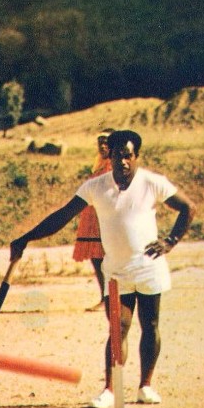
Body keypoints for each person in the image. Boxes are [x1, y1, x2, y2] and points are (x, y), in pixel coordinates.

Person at [9, 130, 196, 408]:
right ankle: (109, 389)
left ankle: (145, 385)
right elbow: (62, 216)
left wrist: (170, 241)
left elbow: (188, 208)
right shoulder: (96, 187)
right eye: (119, 155)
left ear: (136, 157)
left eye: (129, 156)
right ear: (110, 155)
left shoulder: (152, 183)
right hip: (116, 271)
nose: (123, 162)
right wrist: (25, 238)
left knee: (151, 324)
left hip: (148, 269)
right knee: (118, 327)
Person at [72, 129, 114, 311]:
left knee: (107, 259)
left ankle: (112, 298)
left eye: (106, 142)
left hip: (105, 219)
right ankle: (105, 297)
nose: (103, 146)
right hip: (92, 219)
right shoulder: (99, 165)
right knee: (97, 258)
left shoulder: (114, 167)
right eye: (100, 143)